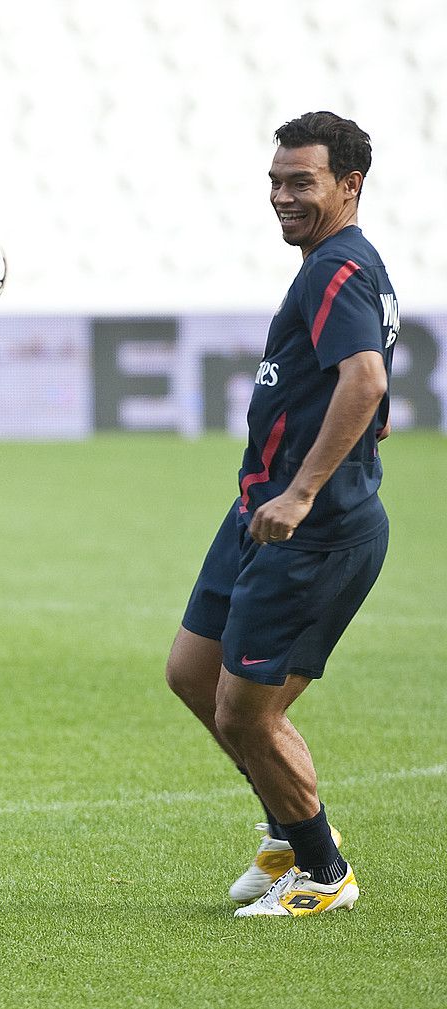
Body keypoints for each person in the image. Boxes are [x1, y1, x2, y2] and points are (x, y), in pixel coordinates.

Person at [166, 112, 397, 917]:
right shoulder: (332, 267)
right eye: (275, 180)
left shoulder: (339, 266)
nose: (281, 195)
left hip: (311, 529)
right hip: (256, 516)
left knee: (248, 710)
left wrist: (301, 491)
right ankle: (284, 834)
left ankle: (324, 871)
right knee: (193, 674)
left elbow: (363, 378)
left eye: (301, 182)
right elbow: (365, 384)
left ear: (348, 186)